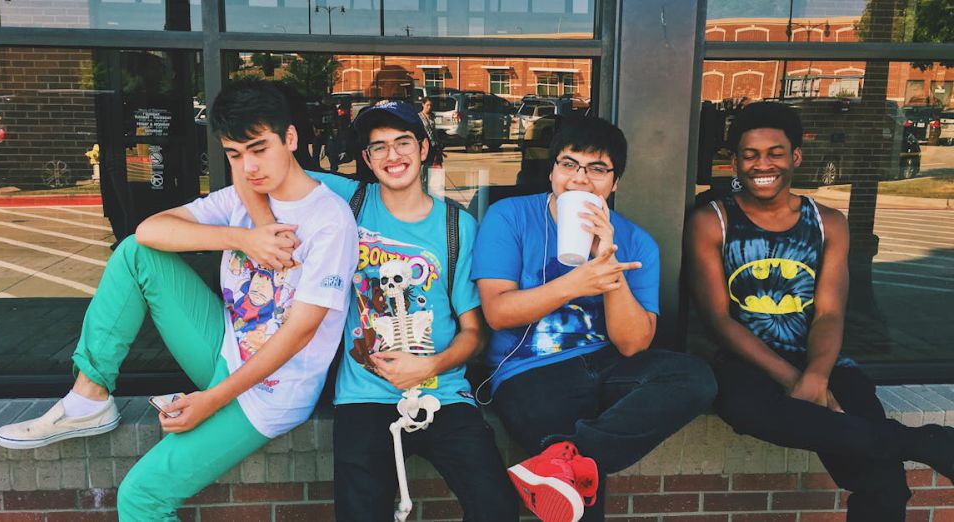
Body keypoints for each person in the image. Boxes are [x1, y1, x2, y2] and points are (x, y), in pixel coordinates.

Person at [0, 79, 359, 521]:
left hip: (272, 391)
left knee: (141, 498)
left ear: (290, 139)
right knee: (135, 254)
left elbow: (301, 332)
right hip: (223, 349)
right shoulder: (242, 199)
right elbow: (148, 231)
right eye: (234, 154)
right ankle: (89, 396)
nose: (248, 167)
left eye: (259, 149)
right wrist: (242, 237)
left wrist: (212, 400)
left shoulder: (329, 220)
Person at [237, 100, 519, 522]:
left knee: (496, 508)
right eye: (379, 147)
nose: (393, 156)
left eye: (403, 142)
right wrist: (265, 233)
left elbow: (473, 333)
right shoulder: (345, 200)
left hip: (443, 392)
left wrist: (430, 365)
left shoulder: (457, 226)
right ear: (367, 159)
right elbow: (254, 175)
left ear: (424, 149)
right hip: (364, 395)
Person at [684, 101, 954, 522]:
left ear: (796, 157)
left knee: (883, 483)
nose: (762, 165)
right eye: (750, 155)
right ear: (734, 162)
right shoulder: (713, 221)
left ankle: (911, 443)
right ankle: (924, 441)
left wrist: (816, 374)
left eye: (775, 153)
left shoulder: (828, 222)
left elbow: (829, 313)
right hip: (745, 363)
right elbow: (719, 320)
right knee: (745, 408)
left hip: (823, 359)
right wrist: (796, 380)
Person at [471, 115, 716, 522]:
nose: (580, 180)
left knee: (693, 377)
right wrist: (574, 284)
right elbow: (497, 313)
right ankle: (572, 467)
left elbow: (634, 345)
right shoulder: (509, 217)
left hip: (605, 362)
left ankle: (565, 460)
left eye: (598, 169)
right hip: (528, 371)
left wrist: (609, 260)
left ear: (614, 182)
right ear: (552, 172)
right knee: (582, 504)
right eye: (569, 165)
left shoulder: (636, 241)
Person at [418, 97, 444, 166]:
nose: (429, 107)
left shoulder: (432, 116)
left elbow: (435, 131)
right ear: (423, 105)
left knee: (434, 166)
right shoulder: (419, 117)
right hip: (424, 145)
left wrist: (439, 144)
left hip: (434, 145)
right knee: (425, 166)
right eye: (427, 105)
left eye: (431, 105)